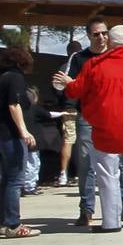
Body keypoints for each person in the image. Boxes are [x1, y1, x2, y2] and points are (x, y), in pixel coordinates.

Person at [58, 24, 123, 232]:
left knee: (108, 176)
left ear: (110, 41)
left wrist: (68, 83)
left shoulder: (95, 65)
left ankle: (111, 222)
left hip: (105, 125)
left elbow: (75, 91)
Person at [57, 19, 111, 227]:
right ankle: (86, 209)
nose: (101, 37)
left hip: (112, 116)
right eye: (96, 34)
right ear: (88, 36)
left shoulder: (114, 56)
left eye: (104, 33)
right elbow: (64, 85)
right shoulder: (79, 59)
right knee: (86, 163)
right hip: (87, 117)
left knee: (119, 163)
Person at [0, 47, 40, 238]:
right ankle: (12, 225)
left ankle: (4, 223)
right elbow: (14, 104)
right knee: (16, 180)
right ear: (23, 62)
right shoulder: (16, 78)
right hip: (11, 135)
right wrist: (24, 130)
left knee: (6, 180)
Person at [19, 86, 61, 196]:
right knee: (33, 163)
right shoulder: (34, 108)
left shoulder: (18, 110)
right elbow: (48, 114)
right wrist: (62, 113)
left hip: (21, 140)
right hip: (33, 141)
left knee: (23, 164)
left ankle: (23, 185)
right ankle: (29, 186)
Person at [53, 40, 80, 187]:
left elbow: (56, 89)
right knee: (88, 141)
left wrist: (62, 100)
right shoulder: (85, 65)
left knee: (68, 140)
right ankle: (86, 172)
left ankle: (63, 174)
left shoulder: (63, 68)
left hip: (68, 108)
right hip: (84, 108)